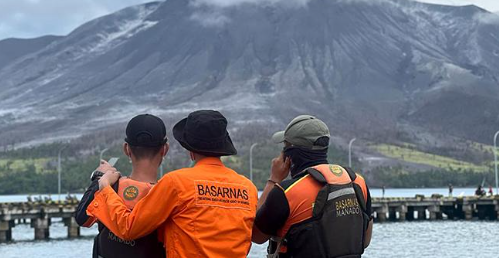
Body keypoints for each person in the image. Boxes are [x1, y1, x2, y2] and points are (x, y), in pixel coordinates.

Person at [86, 110, 258, 258]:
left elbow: (128, 228)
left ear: (190, 150)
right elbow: (255, 235)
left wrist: (105, 187)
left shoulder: (177, 183)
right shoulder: (248, 188)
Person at [252, 115, 373, 258]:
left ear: (290, 153)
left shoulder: (286, 192)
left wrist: (274, 179)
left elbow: (256, 236)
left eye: (285, 147)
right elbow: (365, 241)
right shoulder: (358, 182)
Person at [75, 114, 169, 258]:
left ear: (126, 149)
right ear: (164, 150)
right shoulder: (168, 194)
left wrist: (98, 178)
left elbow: (82, 218)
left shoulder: (111, 186)